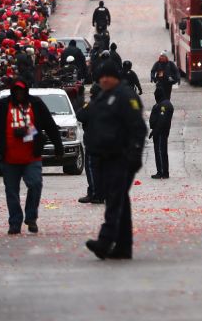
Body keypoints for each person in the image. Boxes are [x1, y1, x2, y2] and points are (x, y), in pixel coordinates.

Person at [82, 63, 147, 260]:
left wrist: (135, 154)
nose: (104, 80)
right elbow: (89, 116)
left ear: (116, 77)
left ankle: (105, 240)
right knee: (119, 202)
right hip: (105, 157)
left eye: (107, 77)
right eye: (101, 77)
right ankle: (123, 246)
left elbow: (138, 128)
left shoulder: (126, 96)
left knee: (114, 200)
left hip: (122, 157)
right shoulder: (103, 95)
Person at [0, 77, 64, 234]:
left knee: (35, 184)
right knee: (11, 191)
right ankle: (15, 222)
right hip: (9, 158)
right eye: (16, 91)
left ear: (26, 91)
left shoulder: (36, 103)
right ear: (13, 91)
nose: (19, 94)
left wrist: (58, 146)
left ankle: (31, 216)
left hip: (31, 156)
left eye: (22, 91)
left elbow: (49, 125)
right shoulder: (3, 105)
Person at [148, 82, 174, 179]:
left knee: (160, 151)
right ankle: (163, 171)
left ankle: (162, 172)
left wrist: (155, 131)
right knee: (161, 151)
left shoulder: (164, 105)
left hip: (160, 132)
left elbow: (162, 120)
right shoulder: (161, 103)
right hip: (159, 131)